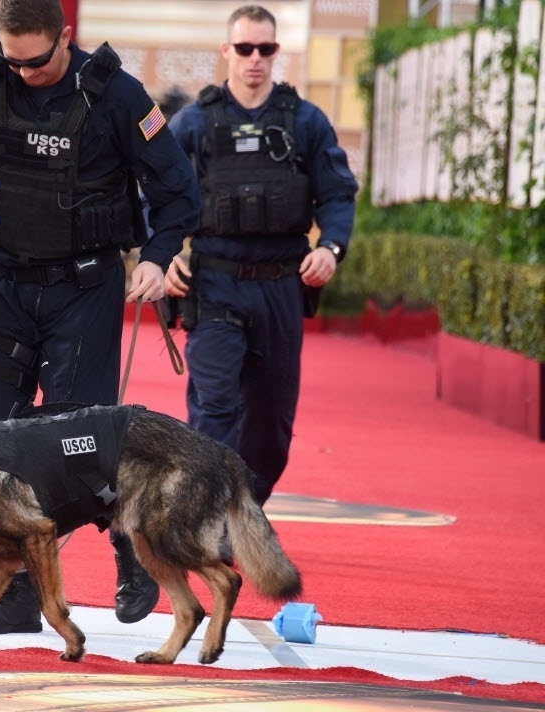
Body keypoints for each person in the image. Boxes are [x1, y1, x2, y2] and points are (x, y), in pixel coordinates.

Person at [0, 0, 200, 634]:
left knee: (81, 444)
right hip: (4, 290)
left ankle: (131, 548)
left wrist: (159, 257)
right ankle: (11, 596)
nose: (22, 72)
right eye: (10, 58)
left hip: (85, 291)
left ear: (65, 38)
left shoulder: (117, 96)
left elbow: (177, 188)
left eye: (37, 61)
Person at [164, 4, 358, 507]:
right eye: (245, 48)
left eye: (265, 49)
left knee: (271, 418)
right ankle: (213, 517)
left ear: (276, 53)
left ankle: (245, 507)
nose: (255, 59)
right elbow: (153, 191)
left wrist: (332, 249)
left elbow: (337, 195)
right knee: (215, 406)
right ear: (227, 50)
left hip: (279, 285)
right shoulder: (195, 123)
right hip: (215, 283)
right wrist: (162, 255)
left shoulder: (305, 122)